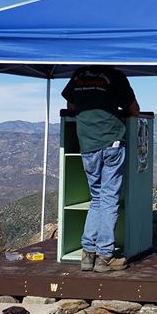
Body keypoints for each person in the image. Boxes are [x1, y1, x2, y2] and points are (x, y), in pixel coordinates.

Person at [61, 66, 140, 272]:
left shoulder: (78, 74)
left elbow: (70, 106)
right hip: (111, 143)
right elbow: (134, 110)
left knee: (96, 198)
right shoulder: (116, 76)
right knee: (109, 199)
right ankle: (104, 257)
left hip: (87, 145)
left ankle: (88, 255)